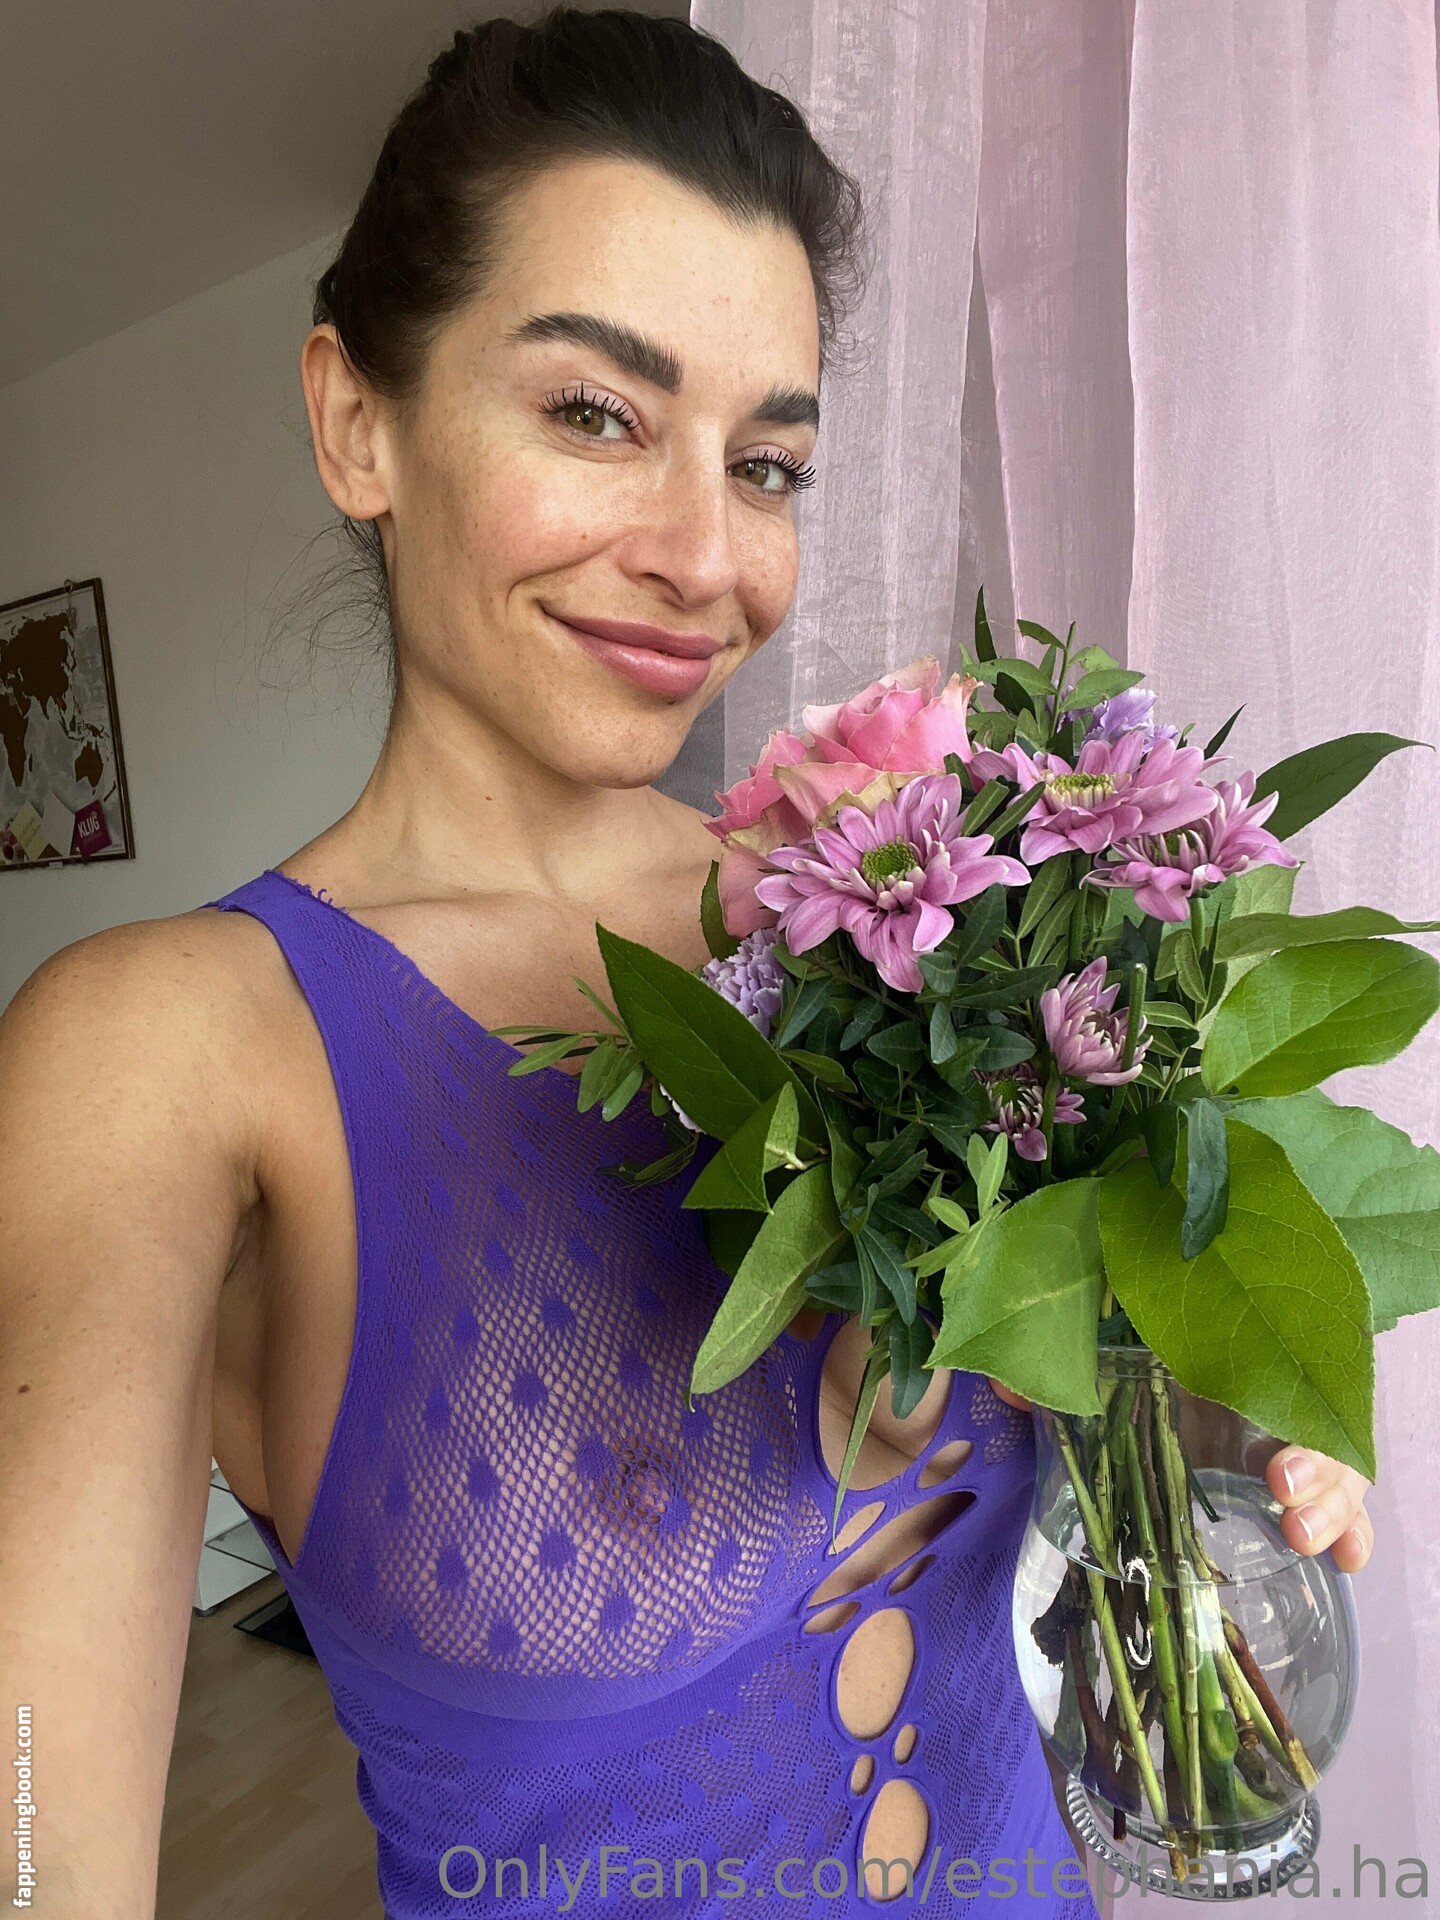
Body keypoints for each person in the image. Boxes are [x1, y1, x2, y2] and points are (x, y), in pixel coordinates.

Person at [0, 9, 1373, 1917]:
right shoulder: (170, 1046)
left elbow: (1091, 1391)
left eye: (769, 462)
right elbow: (36, 1842)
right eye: (595, 414)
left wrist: (1224, 1434)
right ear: (356, 424)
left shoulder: (893, 924)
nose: (705, 554)